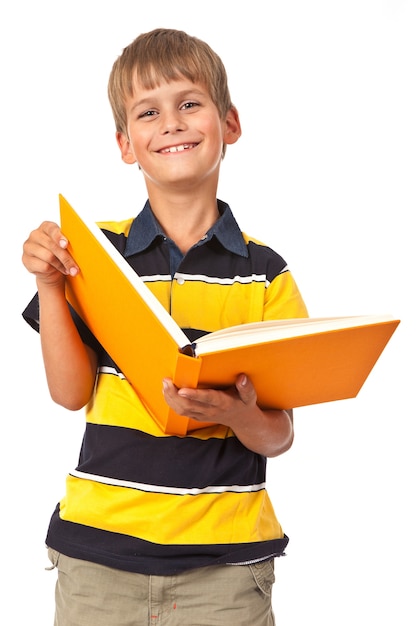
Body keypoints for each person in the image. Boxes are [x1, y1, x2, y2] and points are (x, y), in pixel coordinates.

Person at [22, 28, 308, 626]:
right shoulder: (95, 255)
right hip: (98, 558)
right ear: (127, 144)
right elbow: (70, 394)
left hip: (225, 570)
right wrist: (51, 286)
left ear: (229, 123)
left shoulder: (266, 274)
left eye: (190, 103)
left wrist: (233, 414)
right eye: (148, 112)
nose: (172, 123)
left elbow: (278, 436)